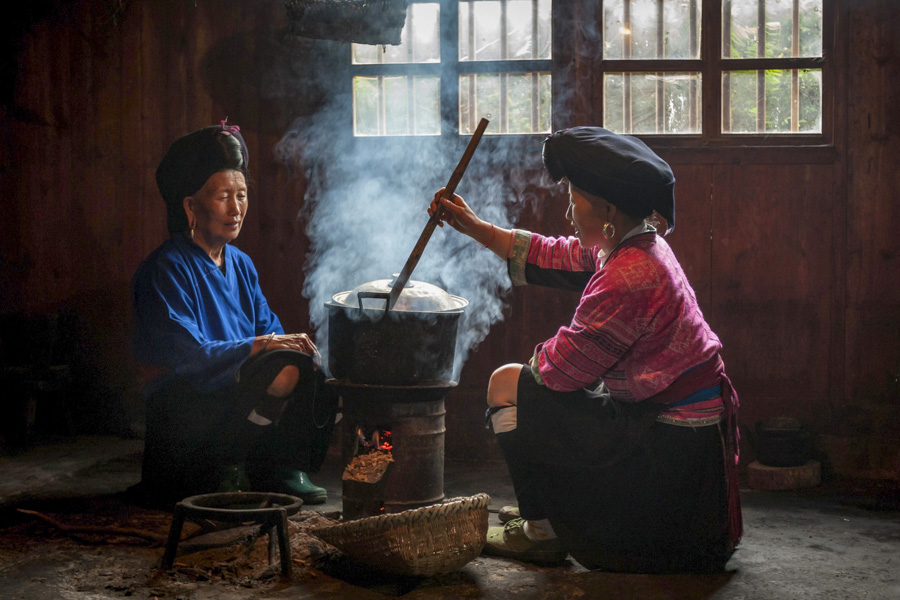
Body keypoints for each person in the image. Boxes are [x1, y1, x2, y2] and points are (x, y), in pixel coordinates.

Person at [429, 126, 741, 573]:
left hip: (669, 443)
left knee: (506, 385)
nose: (569, 211)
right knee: (528, 385)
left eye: (575, 200)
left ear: (608, 209)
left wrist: (531, 368)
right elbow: (555, 254)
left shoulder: (628, 276)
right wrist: (475, 227)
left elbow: (559, 374)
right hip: (675, 423)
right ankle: (548, 517)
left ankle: (542, 532)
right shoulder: (636, 243)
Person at [130, 121, 338, 508]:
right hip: (187, 398)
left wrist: (291, 348)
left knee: (308, 368)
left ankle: (282, 468)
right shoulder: (166, 269)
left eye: (242, 195)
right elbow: (186, 356)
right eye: (224, 196)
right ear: (190, 206)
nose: (237, 208)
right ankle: (226, 464)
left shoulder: (240, 263)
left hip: (237, 381)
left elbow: (268, 328)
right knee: (272, 369)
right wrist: (257, 347)